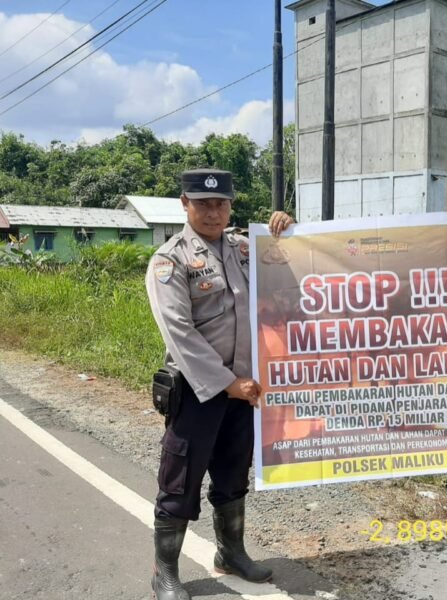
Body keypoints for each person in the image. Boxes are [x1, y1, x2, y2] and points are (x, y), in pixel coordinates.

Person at [145, 168, 294, 600]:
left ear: (230, 206)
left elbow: (293, 277)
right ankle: (164, 573)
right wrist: (228, 383)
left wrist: (287, 233)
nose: (213, 212)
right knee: (180, 482)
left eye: (221, 204)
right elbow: (179, 332)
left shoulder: (246, 248)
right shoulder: (170, 260)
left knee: (233, 475)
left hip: (244, 390)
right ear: (185, 204)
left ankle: (230, 553)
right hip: (199, 390)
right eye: (203, 204)